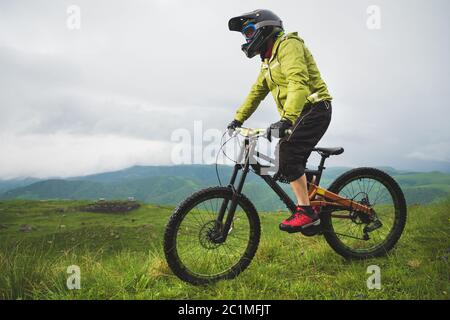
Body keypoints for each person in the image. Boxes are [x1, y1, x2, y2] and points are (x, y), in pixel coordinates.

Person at [227, 9, 333, 233]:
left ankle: (305, 211)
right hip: (299, 113)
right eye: (243, 34)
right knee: (284, 160)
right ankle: (312, 203)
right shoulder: (267, 61)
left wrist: (286, 119)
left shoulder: (288, 45)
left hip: (315, 107)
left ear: (265, 27)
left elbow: (298, 82)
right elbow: (257, 92)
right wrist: (238, 118)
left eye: (248, 31)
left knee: (286, 151)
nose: (246, 38)